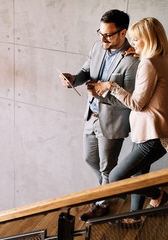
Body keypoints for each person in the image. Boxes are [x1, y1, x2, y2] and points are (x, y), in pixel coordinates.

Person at [90, 17, 168, 226]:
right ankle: (135, 216)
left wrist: (111, 85)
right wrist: (140, 55)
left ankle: (157, 195)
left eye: (136, 40)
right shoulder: (163, 57)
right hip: (149, 130)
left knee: (117, 176)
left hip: (152, 132)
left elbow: (137, 104)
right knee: (139, 173)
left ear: (148, 39)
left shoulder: (148, 64)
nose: (132, 44)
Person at [59, 9, 139, 221]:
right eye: (101, 33)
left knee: (107, 168)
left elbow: (128, 99)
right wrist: (73, 79)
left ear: (123, 33)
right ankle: (111, 191)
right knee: (89, 158)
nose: (102, 38)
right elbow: (87, 73)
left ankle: (102, 204)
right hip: (91, 116)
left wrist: (99, 94)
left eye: (108, 35)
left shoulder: (133, 60)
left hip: (113, 121)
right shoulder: (97, 47)